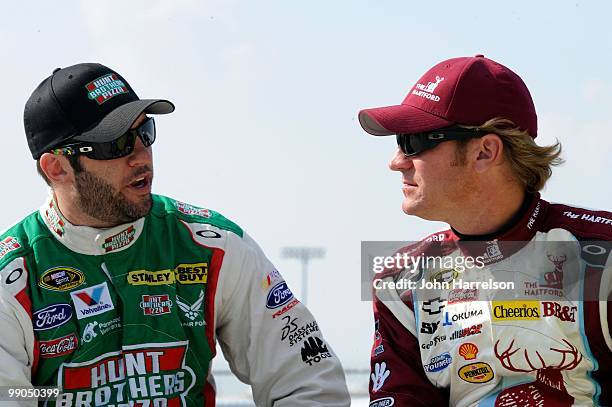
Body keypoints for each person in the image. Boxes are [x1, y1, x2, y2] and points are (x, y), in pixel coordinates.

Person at [0, 63, 350, 406]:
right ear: (56, 167)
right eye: (116, 143)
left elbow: (309, 384)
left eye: (145, 133)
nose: (141, 156)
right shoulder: (11, 279)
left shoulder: (213, 245)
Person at [359, 55, 611, 406]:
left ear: (485, 151)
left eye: (414, 141)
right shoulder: (400, 280)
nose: (396, 161)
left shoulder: (601, 256)